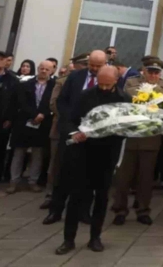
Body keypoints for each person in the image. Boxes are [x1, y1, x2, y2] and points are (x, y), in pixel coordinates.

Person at [55, 66, 128, 255]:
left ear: (116, 80)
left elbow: (126, 127)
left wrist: (110, 130)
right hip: (83, 152)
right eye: (100, 83)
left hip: (107, 153)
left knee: (102, 196)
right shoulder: (85, 95)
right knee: (76, 196)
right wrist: (76, 132)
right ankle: (68, 239)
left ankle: (95, 237)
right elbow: (69, 119)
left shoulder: (124, 99)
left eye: (107, 84)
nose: (103, 87)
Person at [45, 51, 106, 225]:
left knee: (88, 176)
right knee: (63, 172)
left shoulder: (109, 80)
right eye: (92, 65)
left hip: (92, 136)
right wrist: (71, 127)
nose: (94, 69)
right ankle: (55, 210)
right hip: (71, 132)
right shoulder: (75, 77)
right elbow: (62, 102)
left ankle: (84, 211)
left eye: (98, 66)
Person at [111, 56, 163, 226]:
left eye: (156, 72)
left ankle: (143, 210)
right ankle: (120, 209)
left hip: (150, 138)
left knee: (145, 178)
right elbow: (126, 99)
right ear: (143, 71)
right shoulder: (131, 83)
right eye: (150, 71)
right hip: (129, 138)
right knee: (123, 177)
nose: (152, 75)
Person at [6, 60, 54, 193]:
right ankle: (13, 181)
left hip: (42, 124)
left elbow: (53, 103)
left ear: (51, 71)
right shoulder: (25, 84)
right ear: (38, 69)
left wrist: (43, 115)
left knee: (37, 154)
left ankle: (33, 181)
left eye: (47, 69)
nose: (44, 71)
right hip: (24, 122)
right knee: (19, 153)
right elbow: (21, 102)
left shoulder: (54, 86)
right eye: (42, 68)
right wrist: (34, 115)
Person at [0, 51, 20, 182]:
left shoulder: (12, 80)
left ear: (7, 62)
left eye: (1, 59)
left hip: (2, 119)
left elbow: (15, 101)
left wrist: (10, 118)